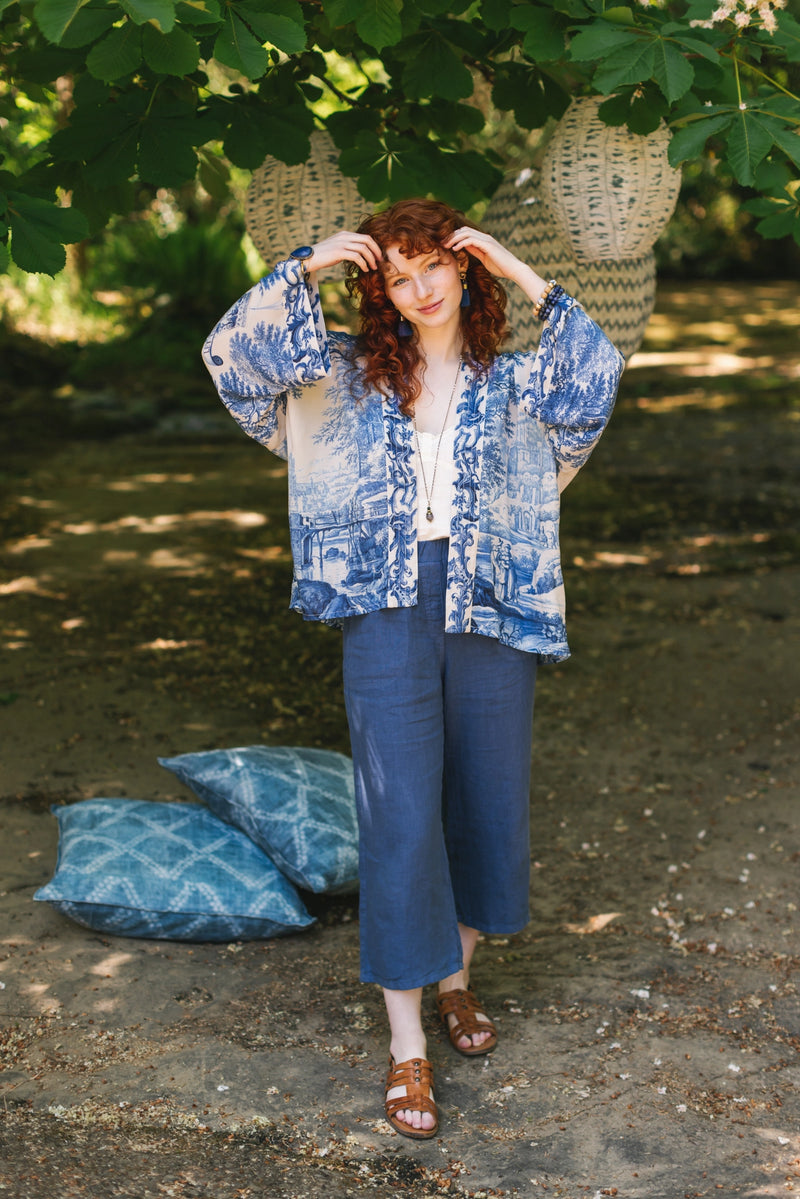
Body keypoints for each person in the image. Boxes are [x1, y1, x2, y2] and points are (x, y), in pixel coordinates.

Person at [203, 198, 623, 1140]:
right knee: (398, 815)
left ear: (462, 269)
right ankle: (407, 1048)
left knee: (487, 802)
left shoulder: (513, 380)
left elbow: (595, 380)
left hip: (491, 598)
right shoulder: (342, 379)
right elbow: (229, 359)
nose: (422, 286)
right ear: (380, 289)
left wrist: (518, 266)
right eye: (399, 273)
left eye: (436, 264)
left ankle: (456, 981)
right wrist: (306, 267)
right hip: (383, 603)